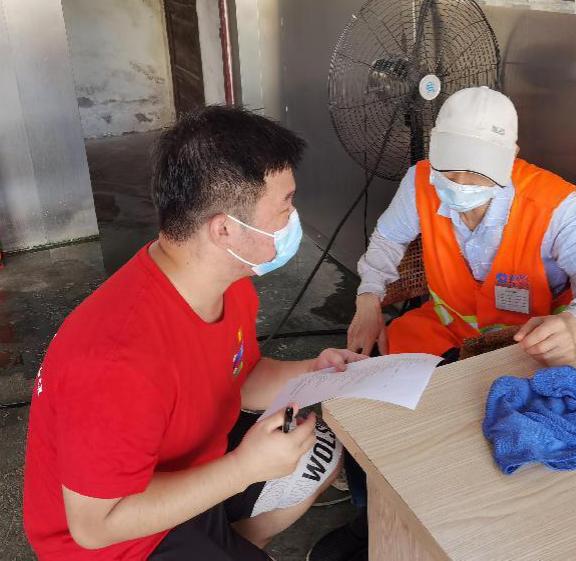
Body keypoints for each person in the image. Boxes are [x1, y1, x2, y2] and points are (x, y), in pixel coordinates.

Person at [23, 106, 367, 561]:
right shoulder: (116, 360)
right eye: (284, 206)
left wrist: (316, 372)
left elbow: (238, 375)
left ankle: (234, 543)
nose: (293, 219)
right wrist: (243, 469)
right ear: (225, 229)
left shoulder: (227, 282)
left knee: (318, 447)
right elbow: (94, 527)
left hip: (191, 461)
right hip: (120, 542)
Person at [308, 87, 576, 560]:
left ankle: (447, 526)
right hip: (442, 328)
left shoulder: (553, 204)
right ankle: (371, 517)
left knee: (462, 439)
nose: (459, 182)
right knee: (372, 405)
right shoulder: (421, 181)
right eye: (449, 168)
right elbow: (387, 241)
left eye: (476, 170)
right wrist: (367, 299)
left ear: (511, 156)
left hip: (522, 346)